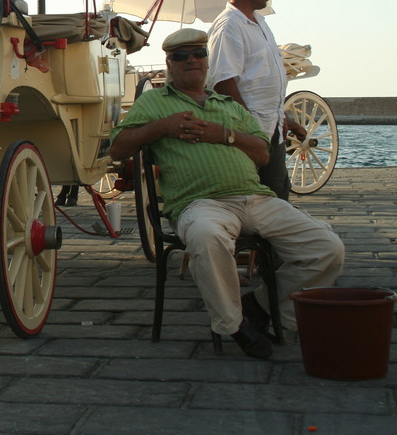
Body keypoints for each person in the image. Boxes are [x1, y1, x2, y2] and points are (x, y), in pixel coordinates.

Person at [109, 28, 344, 359]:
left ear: (207, 61)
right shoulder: (154, 102)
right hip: (200, 204)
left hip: (256, 197)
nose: (191, 60)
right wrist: (164, 126)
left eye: (198, 54)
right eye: (181, 56)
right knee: (207, 237)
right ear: (169, 64)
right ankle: (234, 325)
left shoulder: (229, 106)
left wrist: (224, 135)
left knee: (327, 248)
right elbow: (118, 148)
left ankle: (261, 307)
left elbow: (262, 153)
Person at [206, 0, 304, 200]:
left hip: (272, 129)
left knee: (277, 196)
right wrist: (248, 128)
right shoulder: (230, 27)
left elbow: (262, 80)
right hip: (250, 133)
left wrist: (284, 119)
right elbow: (223, 83)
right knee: (256, 199)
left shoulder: (260, 22)